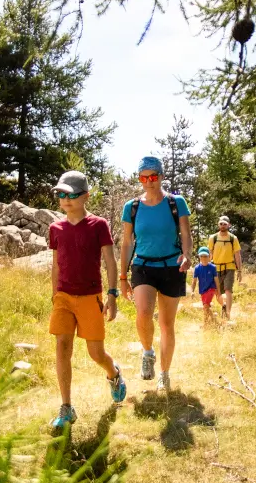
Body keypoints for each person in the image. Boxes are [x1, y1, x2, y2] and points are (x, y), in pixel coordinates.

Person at [47, 170, 126, 433]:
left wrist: (112, 295)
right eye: (61, 194)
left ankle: (113, 373)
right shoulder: (55, 228)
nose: (65, 199)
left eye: (71, 195)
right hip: (63, 297)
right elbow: (56, 265)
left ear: (86, 196)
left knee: (95, 353)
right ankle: (66, 408)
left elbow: (110, 262)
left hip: (91, 297)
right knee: (62, 346)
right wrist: (54, 294)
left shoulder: (98, 225)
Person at [119, 156, 192, 393]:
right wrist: (122, 277)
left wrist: (188, 255)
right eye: (144, 177)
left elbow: (185, 234)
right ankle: (147, 352)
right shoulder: (132, 207)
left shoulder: (176, 202)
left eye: (153, 176)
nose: (149, 182)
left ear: (161, 176)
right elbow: (127, 242)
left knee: (166, 324)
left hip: (172, 266)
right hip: (143, 266)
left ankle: (164, 373)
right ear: (139, 179)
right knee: (143, 312)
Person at [208, 215, 242, 321]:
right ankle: (223, 305)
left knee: (228, 290)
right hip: (216, 268)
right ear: (218, 224)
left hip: (229, 267)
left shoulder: (233, 238)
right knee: (217, 292)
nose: (223, 226)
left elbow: (237, 255)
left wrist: (240, 270)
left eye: (225, 224)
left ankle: (228, 314)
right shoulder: (212, 238)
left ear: (229, 225)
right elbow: (209, 255)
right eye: (221, 224)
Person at [191, 246, 219, 327]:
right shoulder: (197, 268)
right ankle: (214, 319)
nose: (203, 258)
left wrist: (218, 291)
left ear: (209, 256)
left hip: (211, 289)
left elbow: (216, 280)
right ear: (199, 256)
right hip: (202, 290)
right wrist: (192, 291)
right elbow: (194, 281)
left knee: (206, 306)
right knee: (205, 307)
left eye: (205, 256)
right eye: (201, 256)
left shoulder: (213, 267)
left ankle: (205, 324)